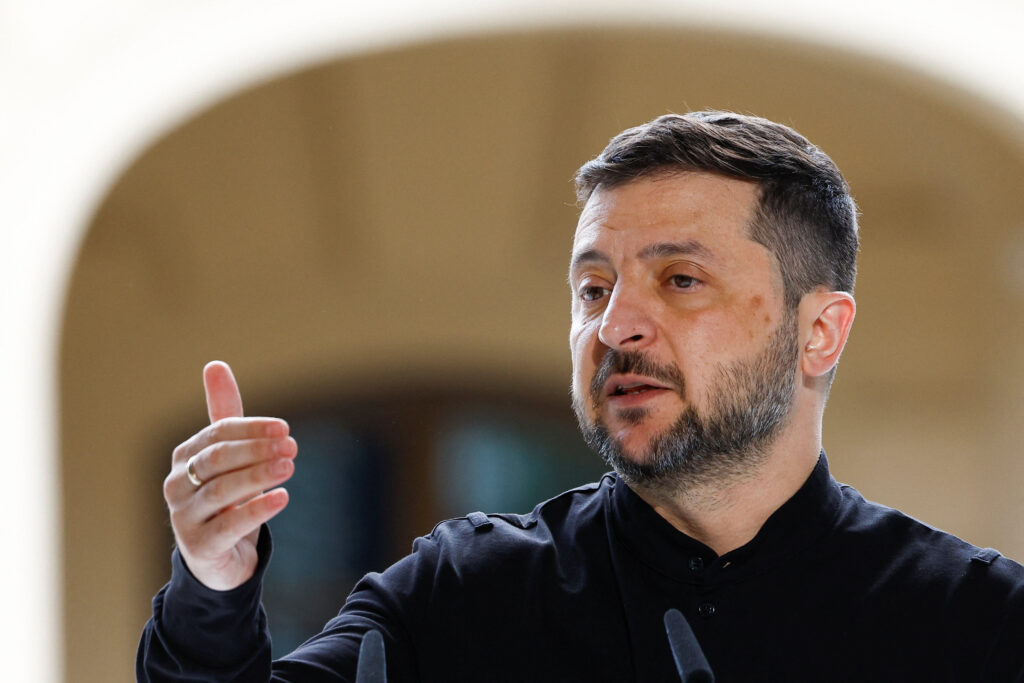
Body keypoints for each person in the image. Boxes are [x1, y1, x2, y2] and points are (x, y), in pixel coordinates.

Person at [138, 111, 1024, 682]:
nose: (615, 325)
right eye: (593, 289)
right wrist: (214, 584)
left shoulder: (976, 624)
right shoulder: (465, 596)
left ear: (819, 330)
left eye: (680, 280)